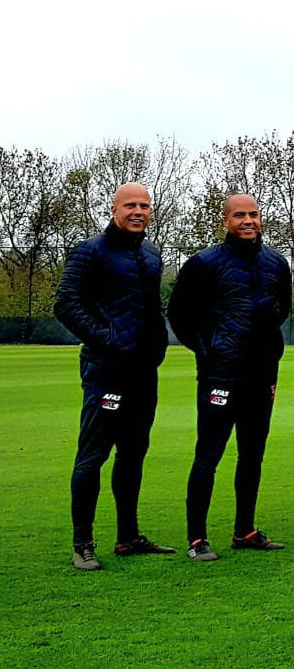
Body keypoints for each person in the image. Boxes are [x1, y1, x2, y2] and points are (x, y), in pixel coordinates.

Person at [168, 194, 293, 561]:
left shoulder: (276, 263)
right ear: (225, 221)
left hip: (262, 373)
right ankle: (197, 538)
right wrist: (209, 348)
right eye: (239, 215)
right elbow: (179, 314)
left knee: (252, 454)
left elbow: (280, 308)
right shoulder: (204, 263)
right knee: (208, 454)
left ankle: (245, 530)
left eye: (253, 214)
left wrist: (269, 349)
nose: (248, 220)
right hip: (220, 373)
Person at [55, 182, 173, 570]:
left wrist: (155, 346)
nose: (139, 211)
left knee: (134, 454)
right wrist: (109, 340)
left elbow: (151, 306)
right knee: (92, 456)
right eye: (131, 205)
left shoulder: (151, 253)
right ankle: (82, 543)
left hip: (143, 371)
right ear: (114, 209)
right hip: (106, 370)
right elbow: (66, 305)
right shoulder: (90, 251)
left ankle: (128, 537)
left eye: (144, 205)